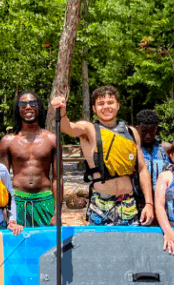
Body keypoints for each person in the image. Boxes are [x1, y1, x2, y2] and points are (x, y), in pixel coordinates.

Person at [53, 86, 154, 226]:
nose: (106, 107)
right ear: (94, 108)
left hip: (128, 204)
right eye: (101, 104)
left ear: (118, 105)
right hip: (101, 205)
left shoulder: (131, 132)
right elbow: (67, 127)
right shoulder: (88, 129)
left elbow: (142, 170)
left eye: (110, 102)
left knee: (128, 246)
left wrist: (149, 203)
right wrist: (62, 113)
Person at [0, 92, 58, 228]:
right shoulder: (7, 141)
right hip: (17, 201)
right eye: (23, 104)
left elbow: (57, 178)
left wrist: (57, 212)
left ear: (39, 108)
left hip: (44, 201)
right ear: (17, 109)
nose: (28, 107)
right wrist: (4, 208)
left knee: (47, 246)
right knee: (17, 246)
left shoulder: (52, 139)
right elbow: (2, 180)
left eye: (33, 103)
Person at [135, 109, 171, 220]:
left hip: (162, 201)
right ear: (137, 129)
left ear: (157, 130)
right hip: (138, 200)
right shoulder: (132, 149)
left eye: (152, 132)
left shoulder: (165, 149)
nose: (148, 136)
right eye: (144, 132)